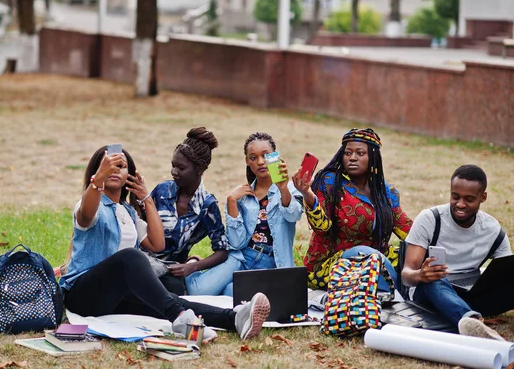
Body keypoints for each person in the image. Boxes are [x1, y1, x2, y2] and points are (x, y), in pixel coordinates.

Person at [59, 145, 271, 341]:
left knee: (169, 299)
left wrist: (146, 199)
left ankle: (234, 318)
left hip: (113, 297)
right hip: (83, 295)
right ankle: (180, 319)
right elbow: (86, 216)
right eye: (107, 166)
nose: (114, 170)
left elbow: (157, 244)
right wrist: (98, 180)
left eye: (121, 166)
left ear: (129, 176)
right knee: (133, 257)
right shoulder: (89, 205)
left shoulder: (129, 213)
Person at [401, 164, 512, 340]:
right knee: (436, 280)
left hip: (472, 293)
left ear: (483, 197)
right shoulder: (430, 219)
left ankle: (465, 313)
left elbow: (507, 271)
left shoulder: (492, 229)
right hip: (430, 291)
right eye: (455, 197)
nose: (460, 204)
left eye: (469, 199)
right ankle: (472, 322)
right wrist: (421, 275)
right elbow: (406, 275)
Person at [300, 128, 412, 291]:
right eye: (348, 153)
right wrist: (308, 196)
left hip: (376, 259)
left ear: (372, 157)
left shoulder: (385, 192)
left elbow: (406, 229)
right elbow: (322, 227)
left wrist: (429, 246)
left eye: (360, 153)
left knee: (415, 257)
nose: (352, 158)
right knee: (367, 255)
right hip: (329, 265)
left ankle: (460, 313)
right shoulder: (331, 182)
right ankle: (397, 294)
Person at [147, 127, 236, 296]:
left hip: (171, 272)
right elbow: (138, 222)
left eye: (181, 168)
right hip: (144, 262)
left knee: (173, 292)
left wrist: (191, 267)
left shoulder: (207, 206)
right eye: (173, 165)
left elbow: (222, 251)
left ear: (200, 169)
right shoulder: (161, 191)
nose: (174, 172)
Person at [216, 132, 304, 296]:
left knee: (230, 292)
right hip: (243, 258)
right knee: (207, 291)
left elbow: (293, 215)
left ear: (275, 157)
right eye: (253, 157)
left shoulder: (290, 189)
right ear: (247, 161)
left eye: (266, 155)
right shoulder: (243, 196)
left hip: (273, 262)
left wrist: (283, 188)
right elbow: (236, 242)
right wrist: (231, 201)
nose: (261, 162)